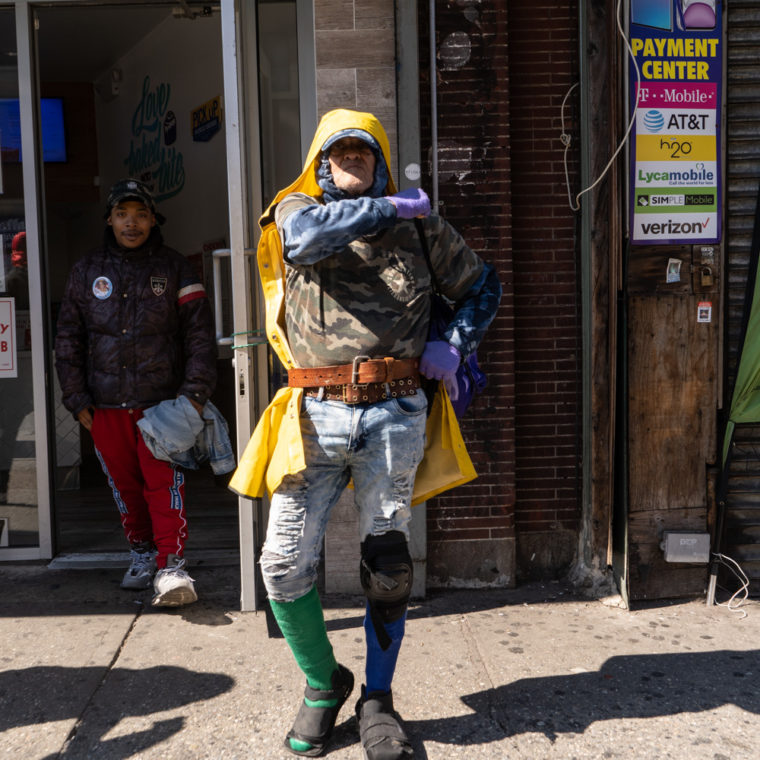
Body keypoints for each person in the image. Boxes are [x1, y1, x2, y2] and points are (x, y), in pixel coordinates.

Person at [230, 109, 501, 758]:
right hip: (312, 417)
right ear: (322, 162)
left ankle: (378, 699)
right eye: (341, 153)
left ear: (380, 160)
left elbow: (482, 286)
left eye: (364, 153)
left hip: (394, 416)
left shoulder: (423, 228)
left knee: (388, 565)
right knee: (282, 566)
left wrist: (453, 344)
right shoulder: (296, 208)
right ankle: (325, 685)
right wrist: (388, 209)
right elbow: (300, 241)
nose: (353, 161)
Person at [54, 178, 217, 607]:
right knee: (126, 488)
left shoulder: (176, 268)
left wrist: (195, 396)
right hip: (103, 406)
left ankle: (171, 566)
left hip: (162, 404)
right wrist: (76, 399)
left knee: (164, 486)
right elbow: (68, 337)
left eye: (141, 214)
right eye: (123, 214)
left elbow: (199, 336)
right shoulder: (85, 271)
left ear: (152, 220)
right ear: (109, 219)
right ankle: (143, 554)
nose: (132, 223)